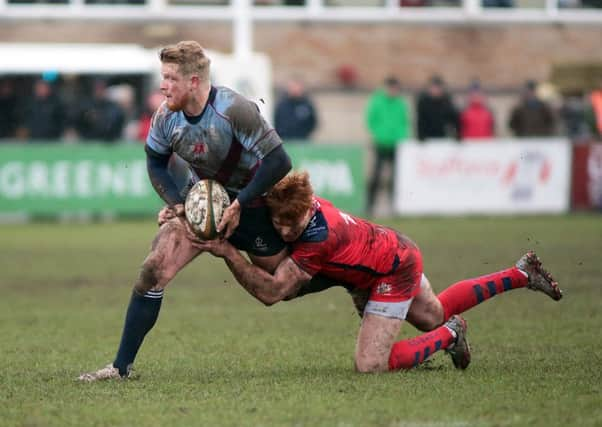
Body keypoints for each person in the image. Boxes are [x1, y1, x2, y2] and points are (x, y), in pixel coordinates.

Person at [194, 171, 562, 373]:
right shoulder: (299, 205)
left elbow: (274, 292)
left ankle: (452, 334)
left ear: (308, 209)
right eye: (278, 222)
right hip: (393, 251)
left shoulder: (320, 237)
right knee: (431, 313)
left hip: (392, 270)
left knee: (371, 365)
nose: (284, 230)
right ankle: (521, 274)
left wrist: (226, 251)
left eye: (291, 222)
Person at [78, 40, 295, 381]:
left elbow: (279, 161)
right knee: (154, 269)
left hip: (250, 206)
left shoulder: (234, 110)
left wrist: (239, 203)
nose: (162, 86)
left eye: (169, 78)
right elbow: (156, 163)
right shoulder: (165, 116)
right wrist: (178, 204)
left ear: (193, 81)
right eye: (161, 77)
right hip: (199, 206)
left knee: (284, 284)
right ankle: (120, 368)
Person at [365, 76, 410, 215]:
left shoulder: (401, 103)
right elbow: (371, 120)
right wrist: (378, 134)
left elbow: (405, 122)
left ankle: (395, 205)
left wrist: (402, 137)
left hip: (396, 145)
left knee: (396, 177)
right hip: (381, 143)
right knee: (376, 176)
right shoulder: (377, 102)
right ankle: (370, 204)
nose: (393, 91)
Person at [416, 75, 459, 141]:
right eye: (433, 87)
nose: (435, 90)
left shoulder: (446, 102)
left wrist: (456, 134)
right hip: (428, 138)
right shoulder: (423, 103)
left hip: (443, 138)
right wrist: (421, 136)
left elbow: (454, 119)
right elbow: (421, 121)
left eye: (437, 87)